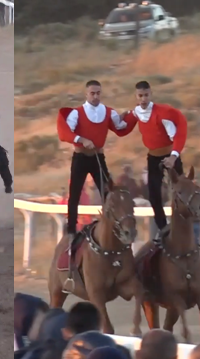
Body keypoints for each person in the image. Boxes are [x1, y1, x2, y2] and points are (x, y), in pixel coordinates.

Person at [57, 79, 131, 241]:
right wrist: (82, 139)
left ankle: (111, 226)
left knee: (108, 193)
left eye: (98, 93)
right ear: (86, 94)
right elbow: (65, 133)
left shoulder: (108, 112)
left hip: (98, 157)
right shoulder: (77, 113)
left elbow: (119, 126)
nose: (96, 96)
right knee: (75, 194)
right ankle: (70, 231)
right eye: (92, 93)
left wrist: (127, 117)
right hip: (80, 157)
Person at [119, 81, 189, 242]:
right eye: (140, 96)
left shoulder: (162, 114)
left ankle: (184, 222)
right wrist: (119, 118)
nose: (143, 99)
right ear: (136, 96)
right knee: (153, 193)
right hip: (153, 157)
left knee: (181, 191)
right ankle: (163, 227)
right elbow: (122, 128)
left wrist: (173, 157)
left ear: (151, 94)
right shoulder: (136, 113)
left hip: (171, 156)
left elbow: (177, 136)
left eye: (146, 95)